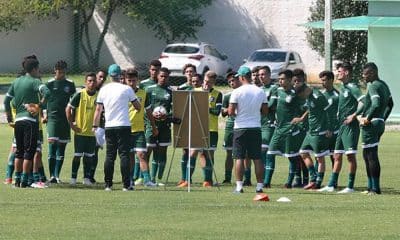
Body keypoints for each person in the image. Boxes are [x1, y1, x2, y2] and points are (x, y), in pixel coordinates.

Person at [93, 64, 141, 191]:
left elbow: (98, 109)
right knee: (124, 155)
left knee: (110, 156)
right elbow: (138, 106)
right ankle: (126, 185)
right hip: (124, 125)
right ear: (121, 75)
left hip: (109, 126)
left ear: (109, 75)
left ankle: (108, 184)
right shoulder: (126, 89)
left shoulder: (103, 89)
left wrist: (95, 125)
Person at [3, 57, 50, 187]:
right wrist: (39, 105)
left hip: (18, 121)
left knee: (19, 152)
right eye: (38, 69)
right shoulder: (34, 82)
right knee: (29, 152)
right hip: (30, 121)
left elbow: (6, 101)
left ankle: (17, 180)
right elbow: (47, 92)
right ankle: (25, 181)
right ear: (34, 69)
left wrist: (9, 118)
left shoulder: (16, 82)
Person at [319, 62, 364, 194]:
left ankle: (350, 186)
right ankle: (331, 184)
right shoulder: (343, 87)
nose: (337, 73)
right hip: (341, 127)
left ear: (346, 73)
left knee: (350, 156)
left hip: (351, 127)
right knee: (337, 155)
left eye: (339, 71)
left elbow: (364, 101)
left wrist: (354, 116)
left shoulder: (353, 87)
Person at [228, 66, 268, 194]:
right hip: (255, 128)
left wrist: (237, 114)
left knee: (239, 157)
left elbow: (231, 112)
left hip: (240, 127)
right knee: (257, 158)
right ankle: (259, 186)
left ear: (242, 77)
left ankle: (239, 187)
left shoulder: (237, 92)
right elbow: (265, 111)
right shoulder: (260, 91)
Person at [359, 62, 393, 195]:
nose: (364, 77)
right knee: (367, 154)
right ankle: (370, 187)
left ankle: (375, 188)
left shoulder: (373, 86)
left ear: (372, 73)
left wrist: (368, 118)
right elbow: (391, 104)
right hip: (378, 123)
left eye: (365, 74)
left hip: (371, 124)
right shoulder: (384, 85)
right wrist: (382, 119)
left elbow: (376, 103)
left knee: (370, 155)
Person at [266, 70, 305, 188]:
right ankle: (266, 182)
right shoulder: (276, 90)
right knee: (270, 153)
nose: (279, 81)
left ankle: (289, 182)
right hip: (278, 128)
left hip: (290, 129)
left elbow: (307, 107)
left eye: (282, 79)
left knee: (292, 157)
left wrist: (300, 119)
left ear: (289, 80)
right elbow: (270, 105)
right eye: (279, 79)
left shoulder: (296, 93)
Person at [293, 75, 332, 190]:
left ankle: (317, 182)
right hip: (311, 131)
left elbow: (329, 112)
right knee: (303, 152)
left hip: (320, 131)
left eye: (302, 95)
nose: (303, 98)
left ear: (305, 90)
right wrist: (301, 118)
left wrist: (329, 128)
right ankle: (314, 177)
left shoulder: (318, 96)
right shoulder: (309, 97)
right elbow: (311, 109)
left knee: (319, 158)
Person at [124, 68, 158, 187]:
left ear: (137, 80)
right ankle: (130, 179)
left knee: (142, 154)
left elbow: (149, 111)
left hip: (139, 130)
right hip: (125, 130)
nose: (131, 83)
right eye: (129, 80)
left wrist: (153, 126)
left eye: (133, 80)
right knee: (129, 157)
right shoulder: (122, 93)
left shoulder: (143, 93)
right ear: (125, 80)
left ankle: (147, 180)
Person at [44, 60, 76, 183]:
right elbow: (43, 101)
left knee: (61, 148)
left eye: (63, 72)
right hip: (52, 118)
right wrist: (44, 115)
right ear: (55, 70)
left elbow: (74, 101)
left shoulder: (70, 84)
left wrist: (73, 118)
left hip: (65, 120)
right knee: (52, 145)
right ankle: (51, 175)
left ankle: (57, 176)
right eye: (59, 72)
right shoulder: (49, 84)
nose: (61, 74)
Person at [66, 73, 98, 186]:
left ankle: (86, 178)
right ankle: (73, 178)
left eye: (94, 81)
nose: (92, 83)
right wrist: (72, 125)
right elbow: (68, 109)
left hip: (92, 133)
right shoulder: (79, 94)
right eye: (89, 81)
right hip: (80, 132)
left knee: (89, 157)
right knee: (77, 155)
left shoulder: (99, 96)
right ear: (85, 82)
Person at [144, 67, 174, 186]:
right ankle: (147, 177)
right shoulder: (149, 90)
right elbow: (145, 107)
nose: (163, 78)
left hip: (165, 126)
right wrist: (153, 114)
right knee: (148, 150)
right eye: (161, 76)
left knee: (162, 151)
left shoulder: (171, 92)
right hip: (151, 125)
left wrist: (166, 115)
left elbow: (174, 109)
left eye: (165, 76)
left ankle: (158, 178)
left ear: (168, 77)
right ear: (157, 76)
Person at [134, 60, 162, 184]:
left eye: (157, 70)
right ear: (150, 70)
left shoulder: (164, 84)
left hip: (159, 122)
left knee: (156, 150)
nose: (154, 72)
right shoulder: (144, 84)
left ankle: (152, 178)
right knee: (142, 149)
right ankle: (138, 176)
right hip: (143, 122)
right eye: (152, 69)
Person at [258, 66, 278, 188]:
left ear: (269, 75)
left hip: (269, 124)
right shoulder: (259, 89)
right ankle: (263, 180)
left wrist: (256, 107)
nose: (261, 76)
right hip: (259, 124)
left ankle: (267, 181)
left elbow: (270, 106)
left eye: (263, 74)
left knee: (267, 152)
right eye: (260, 74)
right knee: (260, 153)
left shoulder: (274, 88)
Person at [221, 72, 240, 184]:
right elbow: (223, 113)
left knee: (242, 154)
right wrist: (229, 109)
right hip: (230, 125)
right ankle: (227, 178)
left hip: (242, 125)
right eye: (230, 82)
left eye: (234, 80)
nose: (232, 83)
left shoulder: (244, 93)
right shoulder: (228, 96)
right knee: (229, 152)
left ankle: (245, 178)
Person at [90, 69, 108, 183]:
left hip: (102, 125)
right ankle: (89, 175)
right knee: (91, 151)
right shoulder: (88, 90)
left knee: (96, 150)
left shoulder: (105, 91)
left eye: (103, 78)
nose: (101, 79)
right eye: (99, 77)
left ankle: (92, 175)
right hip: (90, 125)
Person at [319, 71, 339, 170]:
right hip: (321, 129)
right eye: (321, 80)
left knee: (333, 156)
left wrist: (332, 129)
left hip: (333, 130)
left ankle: (333, 181)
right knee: (318, 156)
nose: (322, 83)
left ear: (331, 80)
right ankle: (316, 181)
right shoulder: (320, 94)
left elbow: (339, 114)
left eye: (324, 80)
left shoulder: (337, 95)